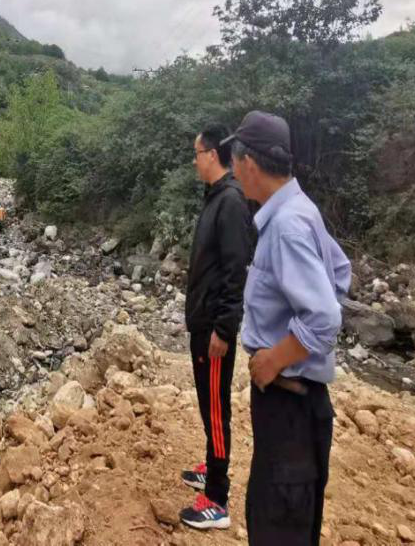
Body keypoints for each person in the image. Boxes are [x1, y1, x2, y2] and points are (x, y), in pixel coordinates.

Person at [222, 110, 349, 546]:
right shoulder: (299, 210)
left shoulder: (287, 225)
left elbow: (324, 316)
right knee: (284, 518)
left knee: (279, 523)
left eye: (235, 161)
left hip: (290, 402)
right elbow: (340, 271)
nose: (233, 170)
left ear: (249, 164)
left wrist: (276, 358)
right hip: (297, 402)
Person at [178, 125, 255, 531]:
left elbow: (234, 271)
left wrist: (224, 330)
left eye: (196, 153)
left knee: (216, 406)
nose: (194, 161)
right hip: (203, 322)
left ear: (211, 154)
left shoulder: (230, 202)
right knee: (208, 404)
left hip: (213, 329)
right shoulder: (216, 197)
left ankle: (217, 498)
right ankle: (212, 466)